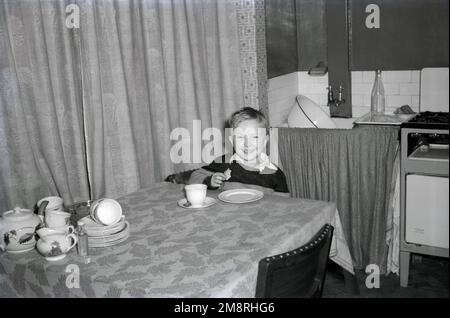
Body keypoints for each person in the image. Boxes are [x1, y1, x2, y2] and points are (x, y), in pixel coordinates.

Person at [188, 107, 289, 195]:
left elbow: (283, 204)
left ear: (265, 140)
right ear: (232, 140)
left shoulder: (275, 173)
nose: (247, 143)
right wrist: (209, 181)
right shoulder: (223, 162)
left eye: (255, 137)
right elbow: (193, 178)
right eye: (240, 137)